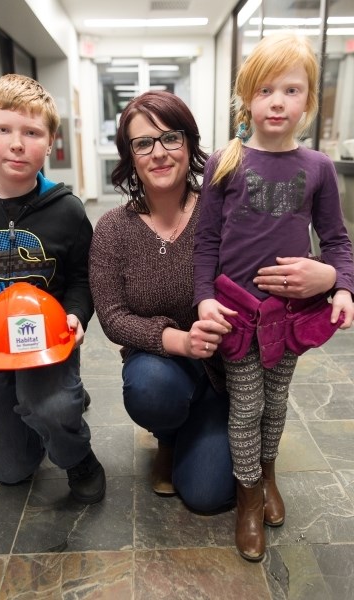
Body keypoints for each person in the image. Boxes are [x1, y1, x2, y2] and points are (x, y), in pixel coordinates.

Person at [88, 89, 339, 516]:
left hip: (232, 363)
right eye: (143, 143)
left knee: (208, 496)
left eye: (171, 138)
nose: (159, 153)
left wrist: (328, 276)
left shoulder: (224, 204)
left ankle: (203, 430)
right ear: (129, 156)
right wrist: (181, 342)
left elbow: (279, 249)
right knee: (151, 389)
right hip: (164, 363)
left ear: (189, 143)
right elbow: (112, 317)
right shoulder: (114, 228)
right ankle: (168, 437)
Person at [193, 33, 354, 561]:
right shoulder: (225, 162)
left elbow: (336, 240)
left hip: (290, 315)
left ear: (308, 100)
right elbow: (207, 244)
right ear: (247, 98)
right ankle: (246, 499)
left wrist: (340, 282)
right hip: (237, 312)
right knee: (247, 405)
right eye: (266, 90)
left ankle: (267, 476)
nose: (278, 101)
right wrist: (202, 299)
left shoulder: (320, 168)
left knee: (277, 402)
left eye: (292, 89)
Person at [0, 74, 105, 504]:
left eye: (32, 132)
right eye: (3, 129)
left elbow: (80, 278)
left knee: (50, 408)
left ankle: (76, 452)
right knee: (12, 470)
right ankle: (50, 412)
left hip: (46, 347)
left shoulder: (68, 210)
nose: (17, 144)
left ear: (51, 140)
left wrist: (76, 313)